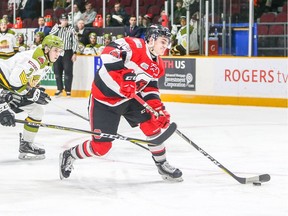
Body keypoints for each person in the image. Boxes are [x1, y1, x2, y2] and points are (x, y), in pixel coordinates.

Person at [59, 24, 183, 182]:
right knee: (101, 147)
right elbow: (108, 53)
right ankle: (70, 154)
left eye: (167, 43)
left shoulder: (158, 65)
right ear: (151, 40)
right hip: (105, 100)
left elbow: (150, 88)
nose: (166, 47)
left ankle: (162, 164)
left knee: (152, 125)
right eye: (163, 42)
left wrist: (157, 108)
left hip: (130, 99)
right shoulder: (134, 45)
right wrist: (124, 76)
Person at [0, 34, 64, 160]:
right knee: (4, 112)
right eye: (55, 50)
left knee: (37, 110)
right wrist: (32, 94)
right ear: (46, 49)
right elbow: (15, 81)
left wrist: (35, 91)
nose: (58, 54)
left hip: (8, 88)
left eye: (60, 51)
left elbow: (26, 83)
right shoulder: (35, 59)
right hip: (3, 84)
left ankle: (26, 144)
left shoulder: (45, 61)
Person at [49, 13, 78, 97]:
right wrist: (59, 27)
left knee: (68, 70)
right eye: (63, 20)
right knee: (57, 70)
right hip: (57, 51)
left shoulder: (71, 29)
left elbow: (75, 41)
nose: (64, 21)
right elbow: (51, 35)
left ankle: (68, 90)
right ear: (60, 20)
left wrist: (74, 53)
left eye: (66, 20)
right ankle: (59, 89)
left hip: (67, 51)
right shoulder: (56, 27)